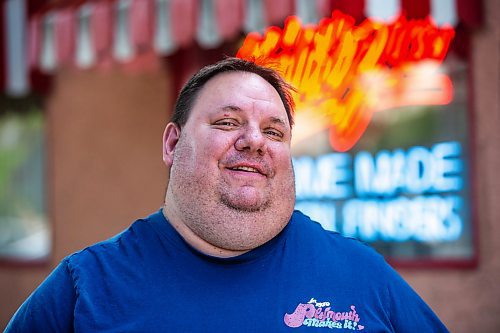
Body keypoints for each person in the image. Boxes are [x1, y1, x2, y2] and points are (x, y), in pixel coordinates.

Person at [5, 57, 449, 332]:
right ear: (172, 144)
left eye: (274, 131)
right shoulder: (85, 288)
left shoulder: (363, 276)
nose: (255, 141)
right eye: (227, 122)